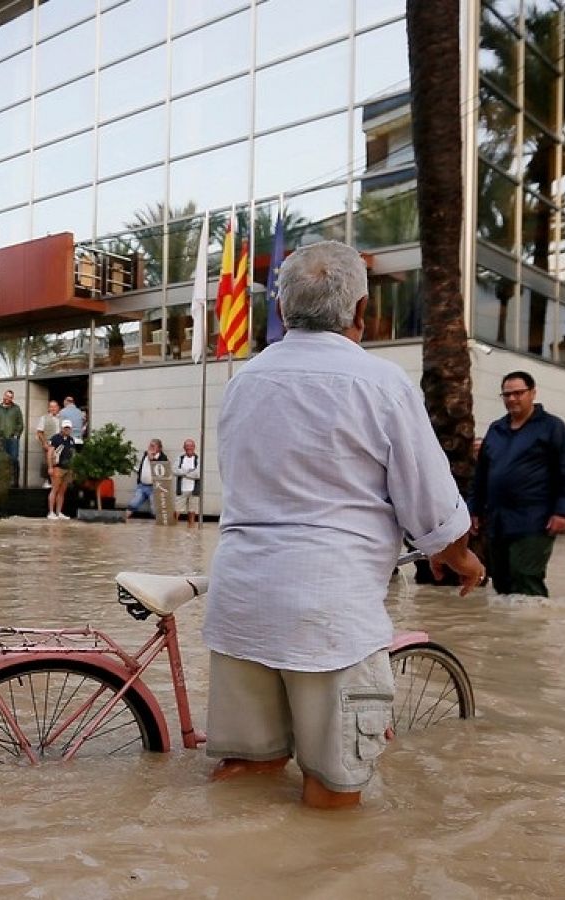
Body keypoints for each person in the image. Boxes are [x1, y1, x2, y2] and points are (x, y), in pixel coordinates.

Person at [204, 241, 484, 810]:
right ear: (361, 311)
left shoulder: (244, 382)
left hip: (240, 601)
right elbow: (431, 500)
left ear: (282, 312)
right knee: (332, 791)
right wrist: (458, 554)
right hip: (328, 615)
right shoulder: (381, 383)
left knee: (248, 773)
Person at [469, 371, 565, 597]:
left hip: (535, 521)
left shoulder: (552, 428)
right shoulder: (496, 429)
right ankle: (506, 631)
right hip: (497, 522)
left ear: (533, 393)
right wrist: (474, 510)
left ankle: (531, 629)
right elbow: (481, 475)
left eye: (518, 393)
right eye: (507, 394)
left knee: (525, 576)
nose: (512, 399)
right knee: (501, 582)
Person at [124, 438, 168, 521]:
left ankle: (159, 529)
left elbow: (159, 469)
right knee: (133, 504)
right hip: (142, 485)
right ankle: (122, 520)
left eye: (153, 446)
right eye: (150, 445)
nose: (150, 447)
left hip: (154, 487)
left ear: (159, 448)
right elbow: (142, 468)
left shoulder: (163, 457)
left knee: (155, 509)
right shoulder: (145, 454)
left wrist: (151, 457)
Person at [47, 419, 78, 520]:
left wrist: (73, 468)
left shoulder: (71, 440)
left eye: (69, 428)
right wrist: (50, 467)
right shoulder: (55, 438)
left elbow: (73, 454)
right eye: (65, 428)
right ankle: (51, 512)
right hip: (58, 467)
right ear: (62, 428)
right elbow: (50, 453)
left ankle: (59, 512)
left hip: (67, 469)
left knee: (62, 491)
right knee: (55, 489)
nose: (67, 430)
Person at [0, 390, 25, 487]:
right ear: (4, 396)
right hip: (1, 438)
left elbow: (20, 423)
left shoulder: (16, 409)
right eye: (7, 396)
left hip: (13, 439)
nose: (8, 398)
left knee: (14, 459)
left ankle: (14, 481)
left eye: (10, 397)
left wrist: (16, 434)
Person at [175, 438, 202, 526]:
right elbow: (175, 470)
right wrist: (189, 471)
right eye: (187, 446)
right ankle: (172, 529)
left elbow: (198, 474)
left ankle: (191, 530)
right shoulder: (180, 458)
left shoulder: (198, 459)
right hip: (181, 489)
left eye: (191, 446)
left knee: (192, 512)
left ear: (194, 447)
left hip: (194, 490)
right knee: (176, 511)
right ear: (184, 447)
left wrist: (184, 473)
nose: (189, 448)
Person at [35, 400, 62, 488]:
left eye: (55, 406)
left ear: (58, 408)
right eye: (51, 407)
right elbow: (39, 432)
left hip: (61, 445)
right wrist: (44, 443)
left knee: (59, 463)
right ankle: (48, 481)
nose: (53, 408)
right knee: (48, 463)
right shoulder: (44, 418)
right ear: (49, 408)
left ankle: (57, 482)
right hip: (49, 444)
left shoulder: (62, 418)